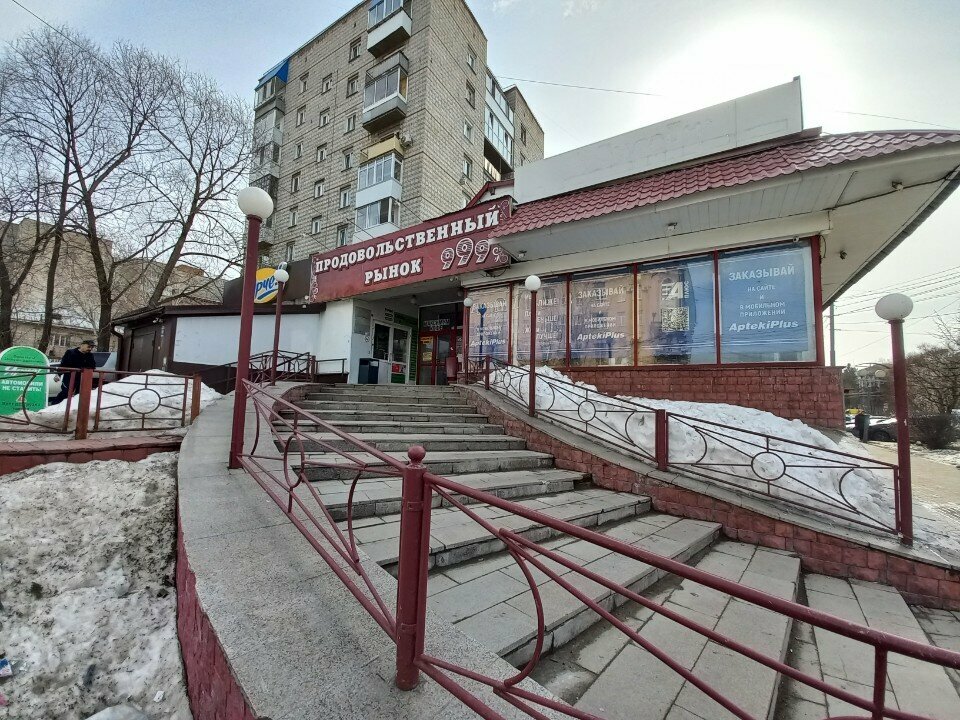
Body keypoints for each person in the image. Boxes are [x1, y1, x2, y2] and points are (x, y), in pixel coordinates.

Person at [51, 340, 97, 404]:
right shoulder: (71, 352)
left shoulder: (90, 355)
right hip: (69, 376)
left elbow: (92, 366)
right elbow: (64, 364)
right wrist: (58, 374)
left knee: (78, 395)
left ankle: (73, 407)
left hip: (81, 378)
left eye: (92, 347)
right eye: (88, 347)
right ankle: (55, 405)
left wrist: (86, 364)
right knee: (66, 392)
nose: (90, 349)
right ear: (82, 345)